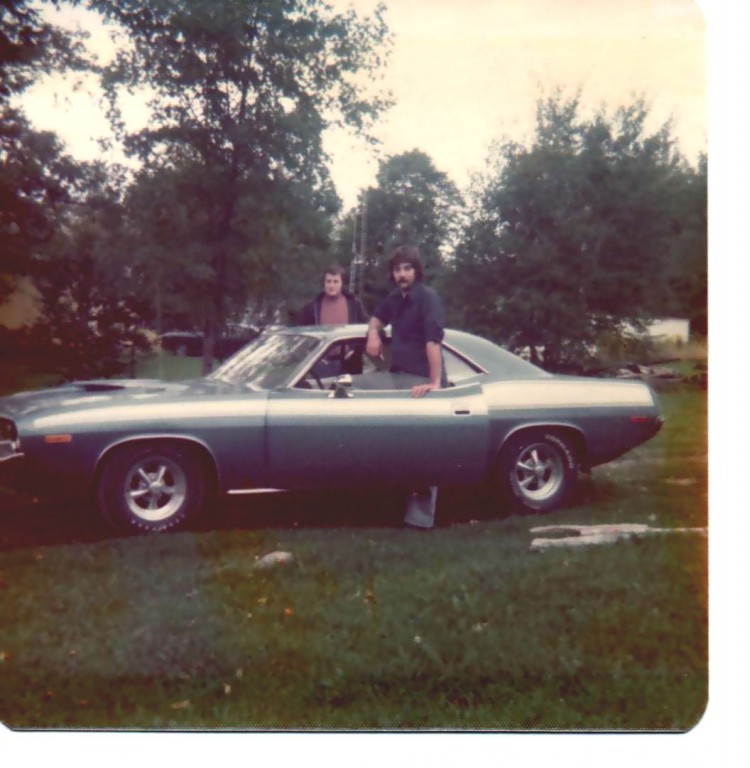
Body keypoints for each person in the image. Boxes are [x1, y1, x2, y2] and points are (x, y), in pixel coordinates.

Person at [365, 245, 447, 529]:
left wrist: (434, 383)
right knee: (404, 448)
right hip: (401, 379)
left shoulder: (428, 299)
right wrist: (373, 333)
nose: (402, 274)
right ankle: (400, 513)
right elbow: (376, 319)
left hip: (423, 379)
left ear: (416, 271)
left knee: (425, 451)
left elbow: (433, 342)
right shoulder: (395, 299)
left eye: (407, 269)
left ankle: (421, 522)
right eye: (398, 269)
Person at [298, 265, 368, 326]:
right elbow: (301, 330)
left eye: (335, 282)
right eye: (328, 281)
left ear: (342, 283)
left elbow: (366, 326)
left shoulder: (354, 304)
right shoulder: (312, 306)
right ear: (324, 283)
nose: (331, 285)